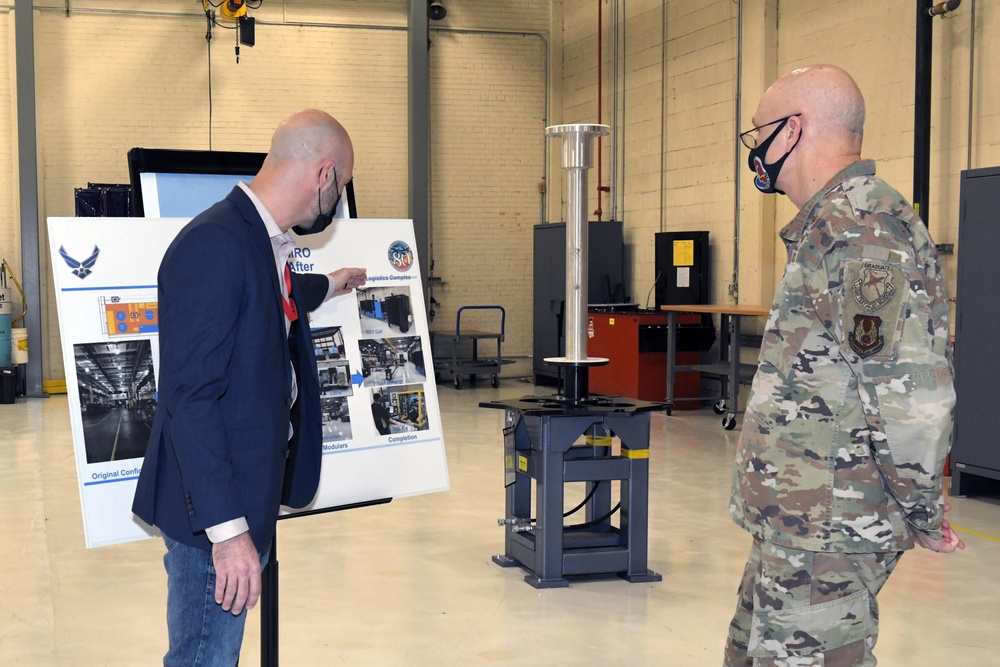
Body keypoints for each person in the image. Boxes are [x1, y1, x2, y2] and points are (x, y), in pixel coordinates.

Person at [724, 65, 964, 667]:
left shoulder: (861, 228)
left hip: (830, 524)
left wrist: (923, 509)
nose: (755, 151)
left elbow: (909, 396)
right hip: (798, 519)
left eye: (760, 134)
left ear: (793, 130)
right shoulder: (833, 222)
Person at [132, 108, 367, 666]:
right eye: (343, 185)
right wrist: (229, 534)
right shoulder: (215, 243)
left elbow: (266, 302)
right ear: (325, 175)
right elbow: (189, 399)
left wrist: (331, 284)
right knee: (204, 658)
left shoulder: (260, 238)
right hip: (213, 514)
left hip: (243, 494)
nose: (337, 199)